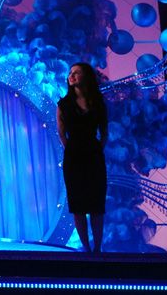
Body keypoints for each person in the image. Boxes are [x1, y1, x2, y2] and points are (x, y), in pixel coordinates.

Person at [56, 62, 108, 252]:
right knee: (78, 206)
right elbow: (61, 133)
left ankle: (98, 249)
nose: (71, 75)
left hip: (94, 156)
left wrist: (96, 150)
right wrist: (72, 149)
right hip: (74, 157)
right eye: (70, 73)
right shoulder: (64, 104)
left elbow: (104, 133)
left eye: (76, 72)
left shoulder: (98, 103)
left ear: (86, 76)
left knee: (96, 206)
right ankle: (86, 249)